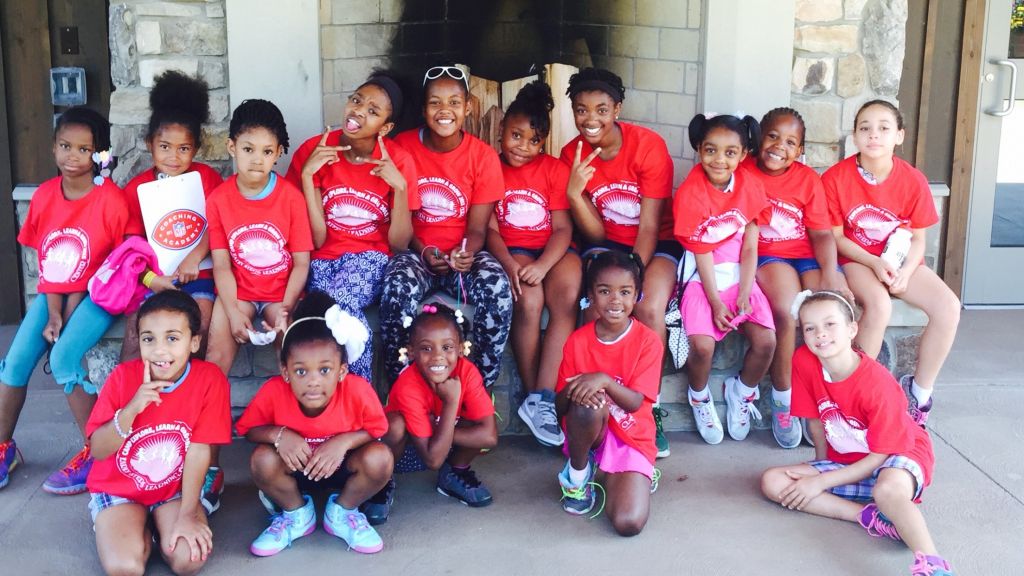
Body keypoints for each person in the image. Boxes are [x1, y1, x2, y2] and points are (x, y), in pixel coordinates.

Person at [760, 290, 954, 576]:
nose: (820, 334)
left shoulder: (877, 384)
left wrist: (821, 482)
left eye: (830, 324)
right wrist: (820, 468)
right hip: (849, 460)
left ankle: (933, 564)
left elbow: (881, 454)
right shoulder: (803, 360)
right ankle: (868, 516)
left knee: (886, 490)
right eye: (810, 328)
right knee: (774, 481)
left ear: (852, 329)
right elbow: (816, 422)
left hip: (897, 453)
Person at [0, 106, 130, 494]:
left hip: (99, 291)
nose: (73, 156)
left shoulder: (110, 201)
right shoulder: (44, 196)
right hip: (55, 291)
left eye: (84, 149)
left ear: (99, 154)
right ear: (54, 147)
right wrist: (54, 312)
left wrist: (71, 310)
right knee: (15, 361)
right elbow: (51, 265)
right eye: (65, 146)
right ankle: (4, 447)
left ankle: (97, 453)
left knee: (62, 358)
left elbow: (115, 265)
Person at [559, 67, 676, 458]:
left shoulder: (647, 147)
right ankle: (589, 409)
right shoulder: (572, 154)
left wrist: (633, 279)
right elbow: (594, 234)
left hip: (655, 241)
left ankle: (650, 408)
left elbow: (649, 226)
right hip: (607, 244)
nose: (590, 119)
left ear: (617, 109)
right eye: (581, 110)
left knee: (648, 305)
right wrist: (575, 194)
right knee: (594, 304)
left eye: (601, 109)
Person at [203, 98, 313, 506]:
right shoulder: (219, 199)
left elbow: (300, 263)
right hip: (238, 292)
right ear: (231, 146)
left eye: (267, 152)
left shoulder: (290, 198)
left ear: (279, 153)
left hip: (281, 292)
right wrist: (233, 312)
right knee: (214, 364)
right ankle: (209, 469)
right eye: (248, 149)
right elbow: (221, 264)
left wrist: (284, 308)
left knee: (295, 357)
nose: (257, 160)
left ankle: (293, 462)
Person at [823, 100, 960, 427]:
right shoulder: (836, 178)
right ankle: (852, 396)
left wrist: (906, 272)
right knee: (879, 305)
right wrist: (874, 262)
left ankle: (920, 393)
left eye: (884, 128)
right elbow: (836, 238)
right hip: (857, 257)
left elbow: (918, 240)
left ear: (899, 135)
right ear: (854, 136)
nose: (874, 135)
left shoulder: (913, 180)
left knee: (949, 307)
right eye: (865, 128)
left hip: (900, 260)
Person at [379, 65, 512, 391]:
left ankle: (478, 390)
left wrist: (464, 253)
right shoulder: (402, 147)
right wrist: (423, 250)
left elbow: (478, 228)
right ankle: (403, 391)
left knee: (497, 287)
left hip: (462, 256)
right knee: (396, 288)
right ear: (424, 109)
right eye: (435, 102)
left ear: (468, 107)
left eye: (454, 102)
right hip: (415, 251)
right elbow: (400, 220)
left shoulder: (482, 157)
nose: (445, 110)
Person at [85, 290, 231, 576]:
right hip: (120, 488)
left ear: (194, 342)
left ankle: (161, 522)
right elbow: (98, 450)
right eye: (149, 339)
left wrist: (188, 513)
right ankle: (140, 529)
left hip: (173, 489)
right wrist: (131, 409)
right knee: (125, 567)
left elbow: (199, 450)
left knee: (188, 560)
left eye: (172, 338)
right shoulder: (122, 378)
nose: (159, 350)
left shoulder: (209, 379)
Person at [236, 292, 392, 556]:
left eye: (324, 370)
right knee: (262, 459)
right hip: (295, 469)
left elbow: (378, 429)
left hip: (342, 467)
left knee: (380, 458)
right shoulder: (274, 391)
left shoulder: (357, 390)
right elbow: (248, 430)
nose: (313, 381)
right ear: (285, 372)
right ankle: (296, 514)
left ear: (342, 371)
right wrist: (279, 434)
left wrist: (343, 442)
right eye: (300, 371)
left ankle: (343, 511)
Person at [285, 70, 417, 381]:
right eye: (356, 101)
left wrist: (399, 188)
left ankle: (357, 394)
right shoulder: (315, 151)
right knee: (334, 315)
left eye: (372, 111)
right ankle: (349, 397)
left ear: (386, 127)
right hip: (322, 260)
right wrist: (308, 177)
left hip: (371, 259)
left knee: (336, 308)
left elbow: (399, 244)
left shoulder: (398, 161)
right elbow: (317, 240)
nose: (358, 111)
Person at [745, 107, 850, 448]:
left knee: (835, 308)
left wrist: (830, 273)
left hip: (807, 255)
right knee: (788, 311)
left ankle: (835, 398)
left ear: (800, 150)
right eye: (773, 136)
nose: (780, 146)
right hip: (768, 254)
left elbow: (821, 234)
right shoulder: (743, 172)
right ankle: (784, 399)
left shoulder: (807, 179)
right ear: (759, 138)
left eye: (791, 142)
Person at [486, 80, 580, 447]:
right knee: (529, 299)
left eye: (534, 140)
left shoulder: (554, 170)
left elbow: (562, 228)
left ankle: (543, 396)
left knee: (567, 295)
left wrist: (543, 265)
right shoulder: (490, 167)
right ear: (501, 130)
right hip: (514, 248)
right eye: (516, 135)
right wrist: (509, 263)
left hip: (553, 249)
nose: (523, 146)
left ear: (543, 143)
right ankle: (534, 396)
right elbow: (489, 229)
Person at [673, 114, 777, 445]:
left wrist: (745, 291)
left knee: (766, 342)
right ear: (699, 150)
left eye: (730, 152)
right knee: (702, 347)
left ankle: (741, 391)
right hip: (702, 279)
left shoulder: (749, 185)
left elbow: (750, 246)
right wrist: (716, 301)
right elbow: (701, 250)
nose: (719, 160)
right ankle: (699, 396)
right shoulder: (691, 192)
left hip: (739, 276)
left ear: (743, 154)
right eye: (711, 150)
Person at [555, 251, 662, 537]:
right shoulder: (577, 341)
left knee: (629, 523)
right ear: (591, 295)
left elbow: (635, 402)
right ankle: (578, 477)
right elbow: (559, 406)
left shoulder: (648, 341)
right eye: (604, 291)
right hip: (591, 435)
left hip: (631, 437)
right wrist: (576, 389)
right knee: (587, 403)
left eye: (625, 292)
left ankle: (622, 472)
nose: (615, 300)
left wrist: (602, 380)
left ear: (637, 295)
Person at [121, 70, 223, 362]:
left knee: (199, 326)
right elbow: (131, 246)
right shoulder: (137, 189)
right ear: (149, 143)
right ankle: (129, 389)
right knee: (136, 336)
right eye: (164, 147)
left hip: (199, 275)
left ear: (196, 149)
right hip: (153, 279)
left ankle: (187, 387)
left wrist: (194, 257)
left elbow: (218, 225)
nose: (174, 157)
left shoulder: (207, 179)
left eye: (184, 149)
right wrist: (151, 279)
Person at [375, 303, 497, 521]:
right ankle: (381, 482)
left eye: (447, 347)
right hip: (408, 450)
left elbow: (489, 437)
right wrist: (451, 403)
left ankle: (455, 472)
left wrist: (439, 428)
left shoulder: (467, 373)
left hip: (441, 443)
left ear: (461, 349)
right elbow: (432, 460)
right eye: (426, 348)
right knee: (395, 425)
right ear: (411, 352)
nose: (437, 357)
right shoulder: (407, 385)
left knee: (477, 422)